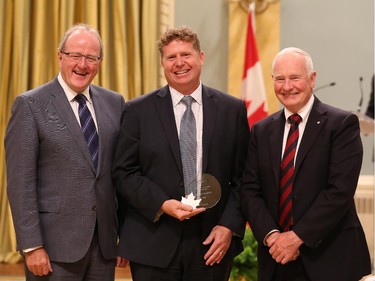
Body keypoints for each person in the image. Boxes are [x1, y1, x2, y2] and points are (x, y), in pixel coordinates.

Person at [112, 26, 250, 281]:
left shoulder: (233, 110)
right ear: (162, 63)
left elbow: (244, 177)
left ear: (201, 57)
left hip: (212, 242)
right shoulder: (137, 111)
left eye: (185, 54)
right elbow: (124, 173)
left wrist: (228, 226)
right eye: (171, 57)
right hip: (153, 240)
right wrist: (162, 204)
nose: (179, 63)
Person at [5, 23, 127, 281]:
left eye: (91, 58)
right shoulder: (30, 105)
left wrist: (123, 235)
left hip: (103, 246)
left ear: (99, 62)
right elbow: (20, 183)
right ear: (60, 56)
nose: (82, 65)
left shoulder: (114, 103)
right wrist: (32, 246)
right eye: (75, 55)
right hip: (53, 249)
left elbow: (119, 174)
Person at [240, 47, 371, 281]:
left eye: (295, 78)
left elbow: (339, 191)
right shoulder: (261, 130)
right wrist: (273, 238)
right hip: (276, 258)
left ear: (312, 79)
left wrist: (296, 237)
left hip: (330, 258)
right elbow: (250, 189)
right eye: (280, 79)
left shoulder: (341, 124)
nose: (287, 86)